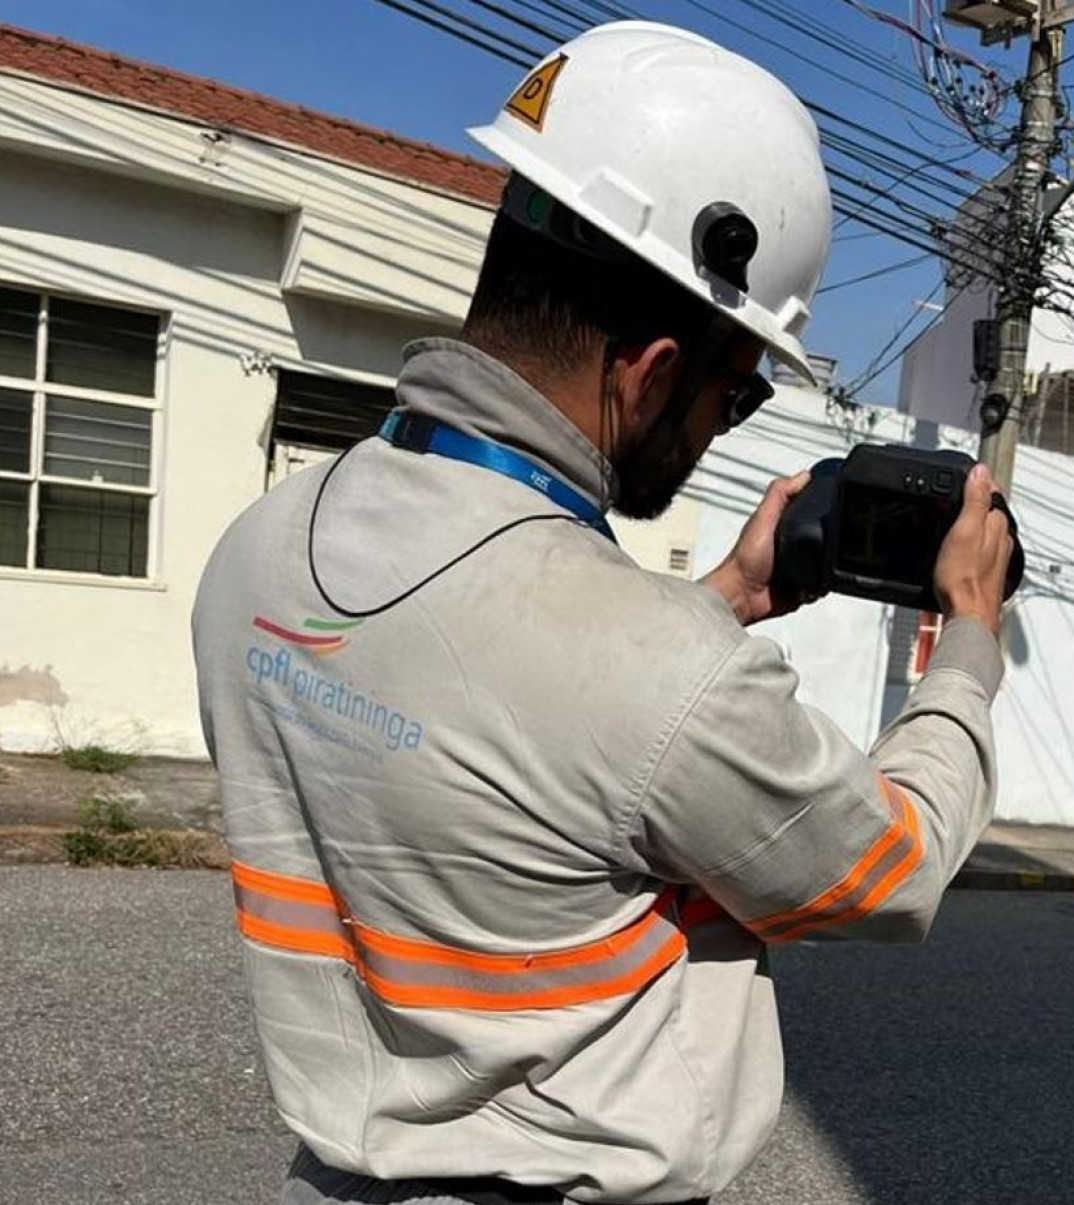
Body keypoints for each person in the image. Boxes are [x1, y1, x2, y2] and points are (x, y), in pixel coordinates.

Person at [191, 20, 1013, 1205]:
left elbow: (496, 709)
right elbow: (891, 871)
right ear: (654, 367)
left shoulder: (257, 550)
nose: (719, 427)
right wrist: (971, 633)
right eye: (733, 396)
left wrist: (729, 596)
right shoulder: (652, 666)